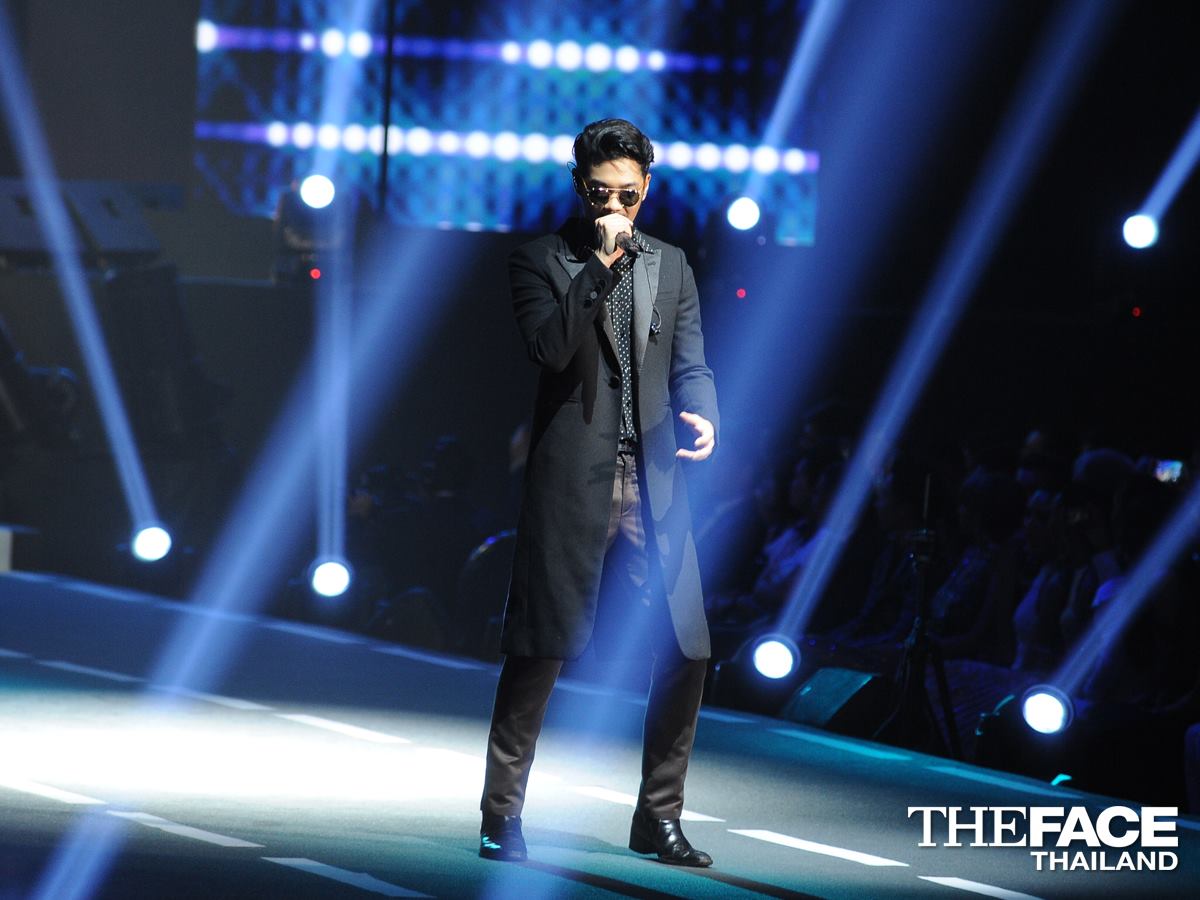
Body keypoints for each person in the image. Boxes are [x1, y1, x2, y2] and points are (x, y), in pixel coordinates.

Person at [478, 118, 719, 868]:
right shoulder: (539, 261)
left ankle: (659, 816)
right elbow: (550, 349)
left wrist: (704, 411)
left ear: (647, 188)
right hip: (571, 482)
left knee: (686, 647)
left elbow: (690, 362)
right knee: (541, 647)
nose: (615, 206)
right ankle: (501, 814)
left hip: (654, 480)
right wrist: (602, 263)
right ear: (579, 186)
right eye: (600, 193)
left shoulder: (671, 264)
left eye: (629, 195)